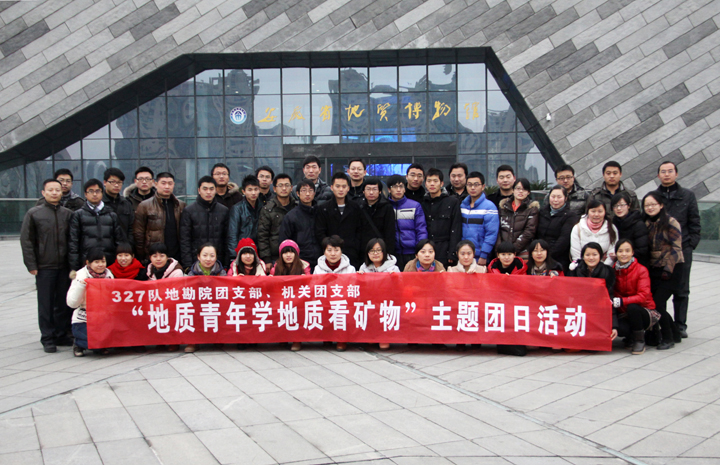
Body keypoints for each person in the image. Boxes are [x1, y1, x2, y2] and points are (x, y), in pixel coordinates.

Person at [21, 179, 74, 353]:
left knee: (63, 302)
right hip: (44, 266)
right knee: (46, 304)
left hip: (64, 266)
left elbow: (72, 240)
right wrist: (31, 264)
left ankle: (61, 334)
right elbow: (27, 241)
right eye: (50, 190)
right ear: (43, 193)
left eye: (57, 190)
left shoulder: (67, 214)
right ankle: (48, 338)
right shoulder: (34, 213)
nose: (54, 192)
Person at [655, 161, 701, 339]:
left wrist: (690, 244)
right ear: (658, 175)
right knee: (661, 288)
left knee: (681, 289)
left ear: (676, 174)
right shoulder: (654, 196)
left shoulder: (687, 195)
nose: (666, 174)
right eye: (663, 171)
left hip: (683, 249)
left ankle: (680, 325)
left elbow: (695, 222)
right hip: (661, 251)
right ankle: (663, 324)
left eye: (670, 171)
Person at [643, 191, 684, 348]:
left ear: (660, 205)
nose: (650, 207)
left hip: (672, 268)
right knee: (654, 302)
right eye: (647, 205)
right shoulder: (646, 224)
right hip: (654, 268)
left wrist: (668, 269)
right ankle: (674, 332)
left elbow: (676, 248)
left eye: (653, 204)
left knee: (658, 303)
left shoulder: (671, 222)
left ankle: (668, 337)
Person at [613, 239, 659, 355]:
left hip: (644, 311)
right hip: (624, 312)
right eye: (620, 251)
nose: (624, 254)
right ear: (616, 253)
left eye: (627, 251)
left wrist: (622, 301)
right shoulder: (613, 270)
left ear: (632, 252)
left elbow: (643, 296)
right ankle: (630, 336)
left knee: (632, 307)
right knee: (620, 326)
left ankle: (639, 340)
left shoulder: (641, 270)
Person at [67, 247, 114, 357]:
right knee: (95, 342)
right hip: (83, 320)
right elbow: (72, 303)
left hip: (102, 319)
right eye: (96, 262)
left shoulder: (108, 275)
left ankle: (98, 345)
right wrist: (81, 286)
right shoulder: (80, 276)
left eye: (103, 261)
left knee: (113, 341)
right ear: (88, 262)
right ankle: (78, 343)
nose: (100, 265)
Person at [567, 242, 616, 348]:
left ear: (601, 256)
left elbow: (609, 299)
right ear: (583, 256)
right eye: (587, 255)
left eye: (594, 254)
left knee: (594, 346)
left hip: (598, 312)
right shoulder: (575, 271)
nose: (591, 258)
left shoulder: (607, 272)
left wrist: (614, 326)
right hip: (580, 311)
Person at [69, 179, 125, 270]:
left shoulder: (111, 215)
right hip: (87, 262)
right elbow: (73, 243)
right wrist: (74, 266)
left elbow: (119, 241)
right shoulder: (78, 215)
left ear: (102, 193)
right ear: (85, 194)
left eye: (97, 191)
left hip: (109, 262)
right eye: (91, 191)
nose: (94, 194)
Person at [314, 235, 355, 352]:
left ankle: (341, 339)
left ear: (341, 251)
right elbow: (316, 289)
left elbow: (352, 290)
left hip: (343, 302)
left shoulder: (350, 269)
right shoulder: (318, 268)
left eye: (336, 250)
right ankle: (327, 335)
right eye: (329, 250)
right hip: (325, 302)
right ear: (324, 252)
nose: (333, 254)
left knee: (343, 308)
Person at [315, 172, 365, 268]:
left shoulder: (355, 207)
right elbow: (320, 232)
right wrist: (329, 248)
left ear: (348, 188)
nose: (341, 189)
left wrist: (355, 246)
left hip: (351, 254)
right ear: (332, 187)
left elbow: (360, 230)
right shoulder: (323, 208)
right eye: (337, 186)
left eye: (344, 186)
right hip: (330, 255)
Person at [133, 172, 186, 262]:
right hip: (154, 255)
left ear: (174, 185)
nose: (167, 187)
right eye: (163, 183)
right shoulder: (145, 205)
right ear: (156, 184)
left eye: (170, 183)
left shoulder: (180, 205)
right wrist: (142, 256)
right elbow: (139, 233)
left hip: (176, 254)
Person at [180, 176, 229, 270]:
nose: (208, 192)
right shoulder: (189, 211)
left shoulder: (224, 211)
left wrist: (226, 263)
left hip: (218, 261)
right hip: (195, 261)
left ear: (216, 190)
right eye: (205, 189)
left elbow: (226, 239)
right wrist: (188, 265)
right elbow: (185, 240)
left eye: (211, 189)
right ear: (199, 190)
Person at [270, 240, 311, 352]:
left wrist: (305, 279)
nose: (288, 255)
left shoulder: (304, 267)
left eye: (291, 252)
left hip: (299, 300)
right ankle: (283, 336)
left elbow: (309, 286)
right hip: (281, 299)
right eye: (285, 252)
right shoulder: (275, 268)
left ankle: (296, 339)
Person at [359, 238, 399, 350]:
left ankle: (385, 335)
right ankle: (372, 333)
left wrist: (396, 279)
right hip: (370, 304)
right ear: (367, 253)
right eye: (372, 251)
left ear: (384, 251)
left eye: (378, 250)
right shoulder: (363, 268)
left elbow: (400, 288)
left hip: (386, 304)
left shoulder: (393, 268)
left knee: (384, 346)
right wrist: (358, 278)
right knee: (370, 342)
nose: (375, 253)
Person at [145, 242, 184, 352]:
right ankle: (160, 340)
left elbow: (177, 293)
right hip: (157, 303)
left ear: (167, 257)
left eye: (162, 256)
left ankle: (174, 341)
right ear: (150, 258)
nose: (158, 259)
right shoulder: (148, 271)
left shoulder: (176, 271)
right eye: (154, 256)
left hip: (172, 303)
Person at [422, 168, 462, 267]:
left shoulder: (452, 202)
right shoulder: (422, 203)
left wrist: (453, 252)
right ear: (425, 184)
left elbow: (456, 228)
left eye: (435, 181)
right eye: (429, 181)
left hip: (445, 250)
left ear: (441, 183)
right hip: (427, 251)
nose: (432, 184)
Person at [387, 174, 428, 270]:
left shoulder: (415, 206)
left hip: (412, 252)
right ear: (389, 189)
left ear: (405, 189)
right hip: (393, 253)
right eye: (395, 187)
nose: (398, 190)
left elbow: (421, 229)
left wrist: (420, 250)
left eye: (401, 186)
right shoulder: (386, 206)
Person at [279, 179, 321, 269]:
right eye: (304, 190)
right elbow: (284, 241)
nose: (307, 194)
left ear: (314, 193)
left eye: (310, 191)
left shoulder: (321, 213)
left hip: (321, 261)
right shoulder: (291, 216)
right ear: (297, 193)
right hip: (299, 262)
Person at [460, 171, 499, 266]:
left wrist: (484, 255)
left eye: (476, 184)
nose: (472, 188)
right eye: (469, 185)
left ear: (483, 186)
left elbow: (491, 234)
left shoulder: (489, 207)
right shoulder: (462, 205)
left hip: (480, 256)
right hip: (463, 255)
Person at [536, 185, 578, 272]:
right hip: (538, 256)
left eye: (559, 197)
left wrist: (547, 256)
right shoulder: (542, 212)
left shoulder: (570, 216)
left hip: (559, 258)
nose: (555, 200)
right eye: (553, 196)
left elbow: (564, 240)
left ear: (565, 198)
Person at [257, 174, 296, 266]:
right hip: (275, 257)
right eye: (280, 185)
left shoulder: (296, 206)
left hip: (295, 255)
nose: (284, 188)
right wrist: (267, 259)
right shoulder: (268, 209)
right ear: (274, 189)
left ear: (291, 188)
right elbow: (262, 236)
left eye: (287, 185)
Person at [497, 178, 539, 260]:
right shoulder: (503, 207)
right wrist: (500, 249)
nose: (521, 191)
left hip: (523, 251)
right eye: (518, 188)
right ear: (513, 190)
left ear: (528, 192)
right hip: (503, 251)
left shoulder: (532, 209)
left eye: (524, 189)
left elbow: (529, 231)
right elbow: (498, 230)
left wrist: (513, 249)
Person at [570, 199, 618, 266]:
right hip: (583, 267)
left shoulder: (612, 228)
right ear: (588, 212)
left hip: (605, 267)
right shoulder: (577, 228)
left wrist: (603, 268)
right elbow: (576, 253)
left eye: (600, 211)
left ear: (605, 212)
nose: (596, 214)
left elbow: (612, 252)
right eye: (593, 211)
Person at [227, 175, 261, 261]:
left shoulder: (263, 207)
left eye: (256, 189)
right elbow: (232, 235)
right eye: (250, 190)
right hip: (243, 253)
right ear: (243, 191)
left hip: (259, 252)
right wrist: (234, 257)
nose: (253, 193)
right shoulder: (237, 209)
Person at [359, 177, 396, 257]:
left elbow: (390, 233)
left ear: (380, 191)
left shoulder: (387, 207)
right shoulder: (359, 207)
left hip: (380, 250)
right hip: (363, 250)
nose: (371, 192)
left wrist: (388, 253)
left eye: (374, 189)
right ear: (363, 191)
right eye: (368, 189)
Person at [611, 192, 649, 267]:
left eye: (622, 205)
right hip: (619, 264)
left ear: (629, 205)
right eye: (615, 206)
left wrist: (621, 255)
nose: (619, 208)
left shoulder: (638, 224)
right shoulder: (613, 224)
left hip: (636, 264)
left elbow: (642, 250)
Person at [102, 168, 134, 245]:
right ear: (105, 182)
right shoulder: (99, 203)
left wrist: (129, 245)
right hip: (104, 247)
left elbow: (131, 228)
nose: (116, 185)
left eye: (119, 182)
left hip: (123, 248)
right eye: (113, 182)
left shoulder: (126, 203)